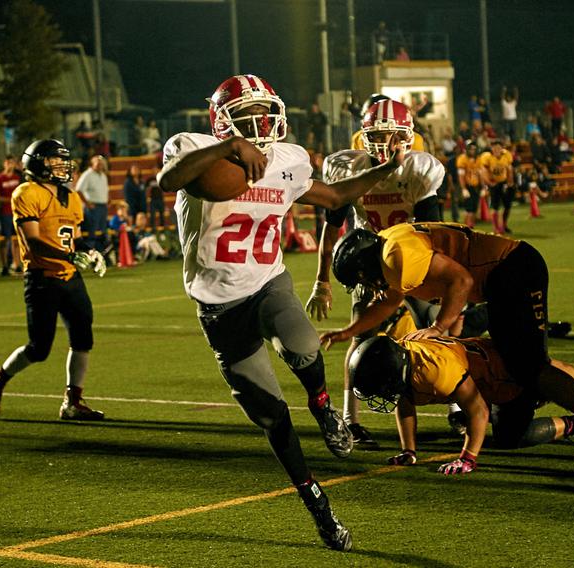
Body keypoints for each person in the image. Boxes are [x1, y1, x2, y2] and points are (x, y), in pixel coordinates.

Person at [156, 73, 410, 552]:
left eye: (264, 113)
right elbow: (169, 179)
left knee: (304, 344)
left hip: (269, 281)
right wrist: (228, 146)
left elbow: (333, 197)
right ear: (222, 122)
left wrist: (382, 170)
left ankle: (323, 407)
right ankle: (318, 507)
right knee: (272, 418)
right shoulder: (192, 146)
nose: (260, 123)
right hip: (219, 304)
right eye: (245, 116)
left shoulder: (289, 159)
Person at [322, 222, 574, 457]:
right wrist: (349, 332)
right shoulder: (390, 247)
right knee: (526, 368)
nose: (367, 287)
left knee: (530, 369)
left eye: (361, 279)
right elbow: (391, 301)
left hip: (512, 271)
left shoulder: (396, 259)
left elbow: (461, 280)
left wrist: (438, 327)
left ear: (364, 267)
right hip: (504, 277)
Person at [305, 98, 445, 450]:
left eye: (394, 136)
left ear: (408, 136)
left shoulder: (419, 169)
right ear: (364, 137)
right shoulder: (347, 168)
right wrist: (322, 280)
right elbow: (331, 227)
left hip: (415, 259)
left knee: (436, 330)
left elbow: (432, 229)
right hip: (369, 266)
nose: (387, 143)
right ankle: (351, 419)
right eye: (379, 135)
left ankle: (457, 406)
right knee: (361, 339)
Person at [349, 335, 574, 471]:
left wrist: (467, 458)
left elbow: (478, 410)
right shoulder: (404, 357)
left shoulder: (433, 371)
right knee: (547, 372)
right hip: (486, 361)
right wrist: (408, 450)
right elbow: (405, 401)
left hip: (504, 379)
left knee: (511, 436)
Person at [0, 139, 107, 421]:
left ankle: (72, 402)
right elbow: (35, 242)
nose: (62, 166)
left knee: (83, 338)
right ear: (38, 163)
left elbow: (74, 239)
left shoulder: (71, 196)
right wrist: (70, 256)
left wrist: (90, 252)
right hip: (42, 278)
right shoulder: (26, 193)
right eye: (55, 160)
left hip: (70, 277)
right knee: (39, 349)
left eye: (63, 160)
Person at [0, 155, 23, 275]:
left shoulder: (17, 178)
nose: (10, 165)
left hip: (16, 212)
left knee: (16, 239)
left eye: (12, 163)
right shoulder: (0, 179)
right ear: (4, 164)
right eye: (8, 162)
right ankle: (4, 265)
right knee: (4, 240)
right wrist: (10, 200)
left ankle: (16, 264)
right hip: (5, 213)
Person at [479, 140, 514, 234]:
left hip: (504, 182)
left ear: (502, 148)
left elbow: (509, 169)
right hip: (493, 183)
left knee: (507, 205)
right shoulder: (487, 157)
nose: (496, 150)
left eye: (498, 148)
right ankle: (496, 228)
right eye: (494, 148)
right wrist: (489, 184)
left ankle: (504, 225)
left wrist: (510, 182)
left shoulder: (506, 155)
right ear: (491, 148)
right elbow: (483, 172)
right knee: (495, 206)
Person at [77, 155, 110, 253]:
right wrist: (87, 204)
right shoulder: (87, 174)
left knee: (102, 232)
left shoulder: (103, 175)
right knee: (92, 233)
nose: (100, 165)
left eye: (102, 163)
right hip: (93, 207)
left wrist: (107, 199)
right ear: (92, 164)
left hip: (103, 207)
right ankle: (90, 254)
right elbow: (79, 190)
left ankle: (101, 254)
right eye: (98, 163)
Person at [456, 143, 482, 228]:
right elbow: (461, 175)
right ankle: (466, 226)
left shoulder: (478, 159)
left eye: (474, 149)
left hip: (476, 186)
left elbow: (480, 174)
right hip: (467, 186)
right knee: (469, 208)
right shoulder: (463, 159)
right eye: (471, 149)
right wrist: (464, 188)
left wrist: (483, 187)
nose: (473, 151)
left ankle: (471, 226)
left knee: (474, 208)